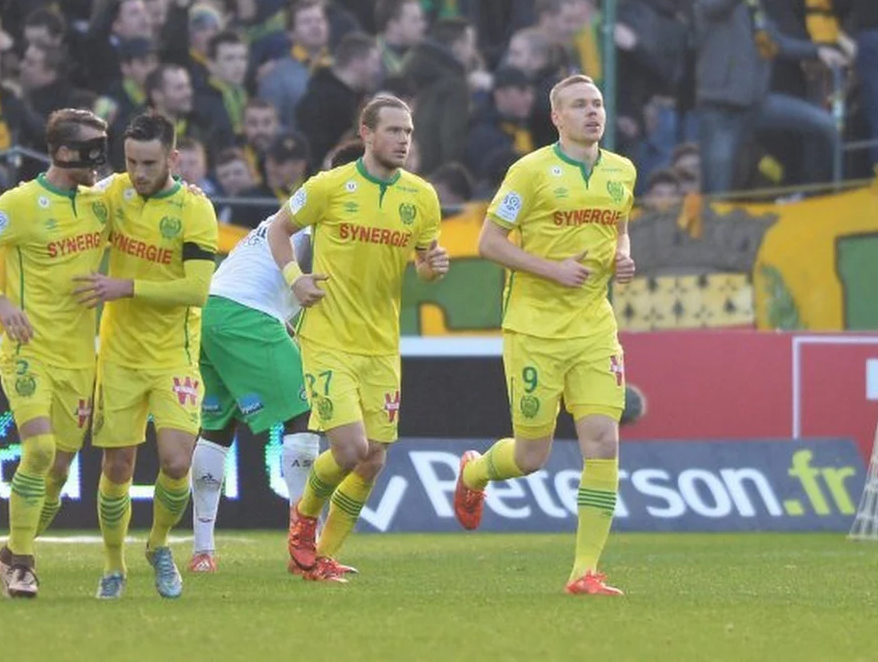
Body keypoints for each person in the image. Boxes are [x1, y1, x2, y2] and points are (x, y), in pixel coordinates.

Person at [451, 75, 637, 597]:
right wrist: (549, 269)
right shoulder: (530, 172)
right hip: (534, 328)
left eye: (597, 103)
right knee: (533, 456)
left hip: (594, 327)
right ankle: (475, 473)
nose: (592, 112)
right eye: (579, 105)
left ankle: (585, 572)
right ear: (557, 117)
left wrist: (622, 256)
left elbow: (619, 227)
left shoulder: (622, 171)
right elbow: (488, 242)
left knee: (603, 440)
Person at [267, 95, 448, 583]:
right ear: (366, 134)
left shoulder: (421, 197)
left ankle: (320, 557)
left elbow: (425, 266)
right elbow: (279, 230)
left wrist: (432, 267)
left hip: (381, 343)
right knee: (349, 449)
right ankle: (303, 523)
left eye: (408, 132)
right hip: (328, 335)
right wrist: (294, 278)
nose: (403, 140)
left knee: (373, 460)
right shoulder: (330, 186)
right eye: (393, 131)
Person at [0, 109, 112, 599]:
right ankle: (24, 565)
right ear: (64, 154)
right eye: (93, 151)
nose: (101, 161)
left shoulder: (102, 204)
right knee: (39, 452)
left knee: (58, 473)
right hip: (29, 351)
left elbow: (145, 198)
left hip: (81, 357)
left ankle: (5, 556)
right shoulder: (19, 203)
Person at [188, 142, 366, 574]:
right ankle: (303, 550)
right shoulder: (327, 217)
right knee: (303, 413)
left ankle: (202, 551)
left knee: (218, 427)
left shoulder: (290, 214)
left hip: (211, 309)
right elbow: (302, 273)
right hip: (246, 314)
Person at [78, 111, 219, 600]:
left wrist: (126, 286)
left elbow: (198, 290)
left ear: (173, 159)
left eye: (149, 162)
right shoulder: (113, 194)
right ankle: (113, 564)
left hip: (174, 355)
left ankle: (158, 546)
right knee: (116, 467)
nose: (138, 172)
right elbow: (69, 207)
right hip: (118, 354)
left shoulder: (195, 210)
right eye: (132, 161)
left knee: (177, 462)